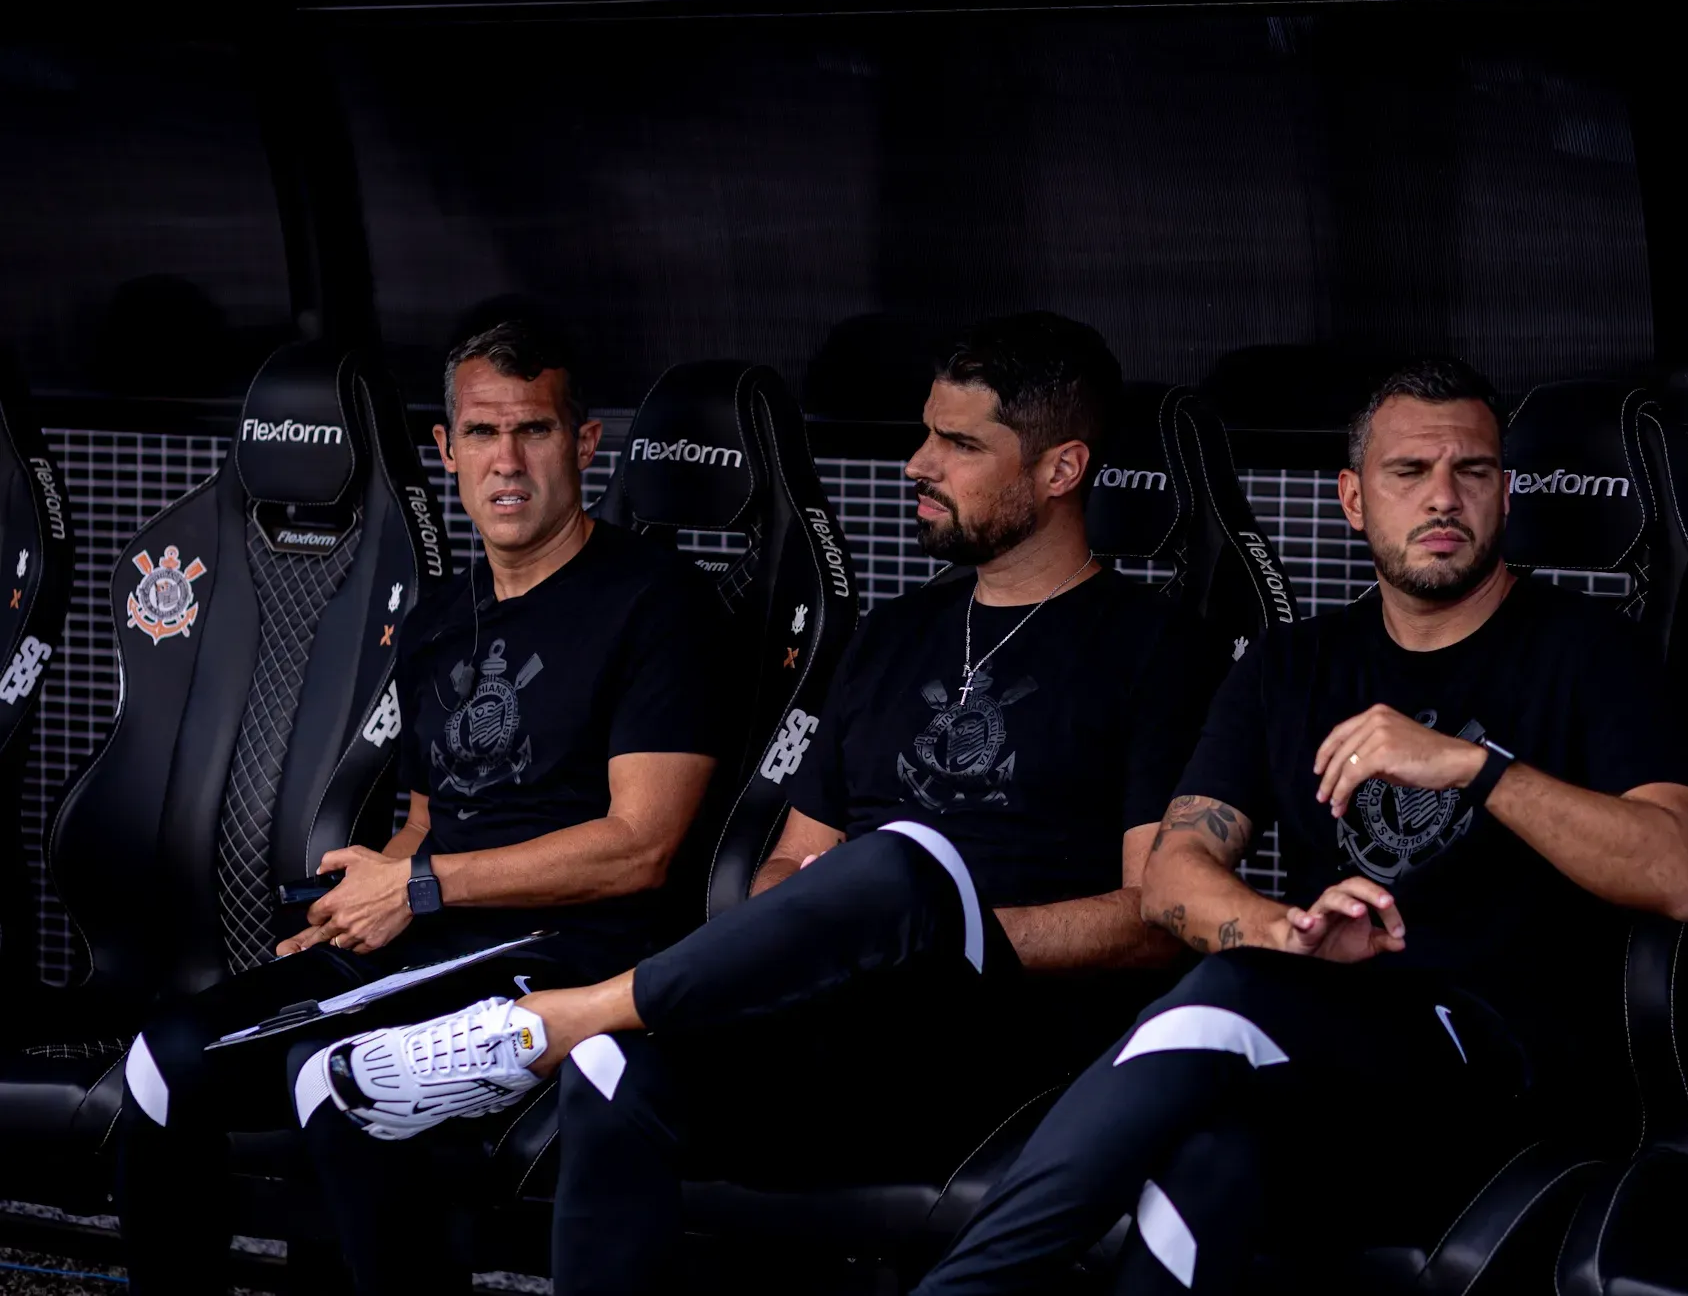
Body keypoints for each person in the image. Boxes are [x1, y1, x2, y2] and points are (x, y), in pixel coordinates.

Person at [316, 311, 1229, 1295]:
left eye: (959, 445)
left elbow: (1156, 916)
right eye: (923, 433)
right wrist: (844, 932)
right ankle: (583, 1033)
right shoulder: (889, 635)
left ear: (1059, 471)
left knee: (897, 863)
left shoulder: (1156, 651)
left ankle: (567, 1014)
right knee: (616, 1078)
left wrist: (925, 926)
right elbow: (790, 864)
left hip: (999, 1034)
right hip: (838, 1023)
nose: (917, 463)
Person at [906, 358, 1688, 1294]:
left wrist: (1474, 766)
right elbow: (1175, 876)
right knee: (1211, 1155)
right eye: (1409, 473)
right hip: (1331, 1065)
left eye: (1474, 472)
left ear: (1506, 493)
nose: (1443, 497)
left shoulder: (1590, 652)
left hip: (1501, 1076)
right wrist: (1289, 935)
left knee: (1232, 992)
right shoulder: (1293, 666)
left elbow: (1678, 870)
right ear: (1353, 499)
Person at [113, 319, 734, 1295]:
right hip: (430, 940)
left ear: (584, 443)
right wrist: (366, 895)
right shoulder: (442, 612)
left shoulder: (659, 603)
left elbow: (638, 848)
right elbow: (425, 812)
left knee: (339, 1077)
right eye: (483, 435)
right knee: (161, 1063)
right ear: (446, 450)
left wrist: (421, 886)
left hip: (565, 958)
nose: (508, 462)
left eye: (534, 430)